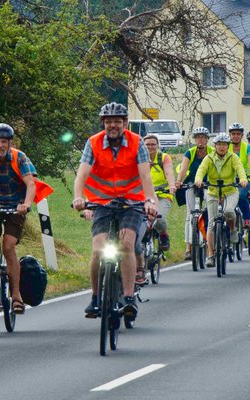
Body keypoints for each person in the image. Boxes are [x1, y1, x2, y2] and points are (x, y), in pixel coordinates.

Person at [72, 102, 159, 320]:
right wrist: (78, 197)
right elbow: (82, 174)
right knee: (98, 249)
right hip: (101, 202)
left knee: (126, 244)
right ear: (103, 123)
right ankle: (95, 297)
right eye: (109, 121)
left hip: (131, 201)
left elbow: (145, 176)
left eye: (117, 122)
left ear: (125, 123)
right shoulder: (92, 143)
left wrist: (149, 200)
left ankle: (129, 298)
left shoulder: (136, 142)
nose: (113, 125)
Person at [0, 123, 53, 314]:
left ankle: (15, 295)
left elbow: (31, 183)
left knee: (8, 246)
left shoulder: (19, 157)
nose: (0, 145)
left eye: (4, 141)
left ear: (10, 143)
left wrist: (26, 205)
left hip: (15, 207)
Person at [194, 133, 248, 268]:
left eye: (224, 144)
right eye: (219, 145)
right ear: (215, 146)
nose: (222, 147)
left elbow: (240, 169)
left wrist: (242, 179)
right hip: (213, 192)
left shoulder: (233, 157)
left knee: (229, 212)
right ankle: (211, 255)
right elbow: (201, 170)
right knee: (211, 224)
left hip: (230, 191)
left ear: (228, 146)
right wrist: (198, 180)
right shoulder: (209, 158)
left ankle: (232, 229)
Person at [178, 127, 211, 257]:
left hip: (208, 184)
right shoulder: (190, 152)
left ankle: (210, 244)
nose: (200, 140)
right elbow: (183, 168)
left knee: (211, 211)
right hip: (192, 183)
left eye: (203, 137)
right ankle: (188, 248)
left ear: (207, 139)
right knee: (190, 215)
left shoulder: (212, 152)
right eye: (198, 137)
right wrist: (179, 181)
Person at [143, 134, 179, 253]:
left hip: (163, 194)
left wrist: (172, 186)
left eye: (153, 144)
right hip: (145, 195)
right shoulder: (139, 158)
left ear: (158, 145)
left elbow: (169, 172)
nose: (150, 147)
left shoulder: (164, 157)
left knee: (160, 218)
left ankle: (164, 235)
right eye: (147, 144)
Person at [227, 123, 250, 235]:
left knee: (239, 195)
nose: (235, 136)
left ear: (242, 135)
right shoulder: (226, 146)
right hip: (229, 179)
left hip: (244, 179)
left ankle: (246, 217)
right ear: (230, 135)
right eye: (233, 134)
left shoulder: (247, 147)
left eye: (238, 134)